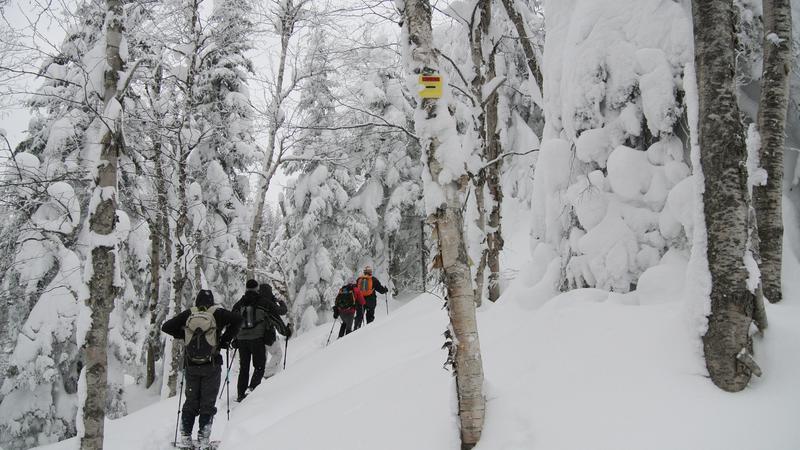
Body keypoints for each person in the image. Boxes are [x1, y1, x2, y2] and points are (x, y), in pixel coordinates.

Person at [161, 289, 241, 449]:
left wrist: (184, 335)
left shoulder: (189, 314)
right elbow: (238, 319)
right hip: (211, 365)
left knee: (191, 401)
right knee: (208, 403)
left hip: (191, 365)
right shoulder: (217, 313)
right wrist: (225, 340)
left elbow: (166, 327)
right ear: (211, 302)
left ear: (197, 301)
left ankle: (185, 438)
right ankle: (203, 440)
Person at [231, 279, 285, 402]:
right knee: (259, 366)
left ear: (246, 288)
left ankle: (240, 395)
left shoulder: (239, 304)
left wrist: (233, 339)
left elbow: (232, 321)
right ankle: (252, 389)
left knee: (244, 368)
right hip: (257, 339)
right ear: (257, 289)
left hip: (242, 340)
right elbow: (275, 317)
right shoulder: (263, 303)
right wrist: (285, 331)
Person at [258, 282, 293, 378]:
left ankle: (259, 377)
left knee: (262, 359)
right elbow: (281, 312)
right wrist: (285, 331)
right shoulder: (268, 303)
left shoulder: (256, 302)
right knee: (277, 353)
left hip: (255, 337)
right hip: (267, 335)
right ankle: (268, 374)